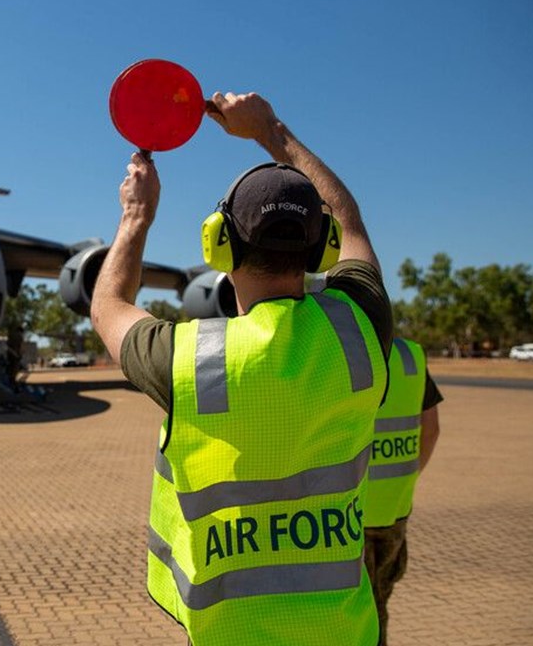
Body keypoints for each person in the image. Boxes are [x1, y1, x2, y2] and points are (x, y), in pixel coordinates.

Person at [91, 91, 393, 646]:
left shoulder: (185, 358)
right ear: (322, 248)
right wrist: (271, 130)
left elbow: (107, 305)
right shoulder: (359, 330)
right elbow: (350, 222)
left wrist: (136, 216)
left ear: (219, 245)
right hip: (346, 634)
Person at [365, 336, 443, 645]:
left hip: (349, 515)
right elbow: (432, 429)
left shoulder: (343, 349)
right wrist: (405, 476)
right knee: (379, 607)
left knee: (353, 619)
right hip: (394, 511)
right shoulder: (410, 356)